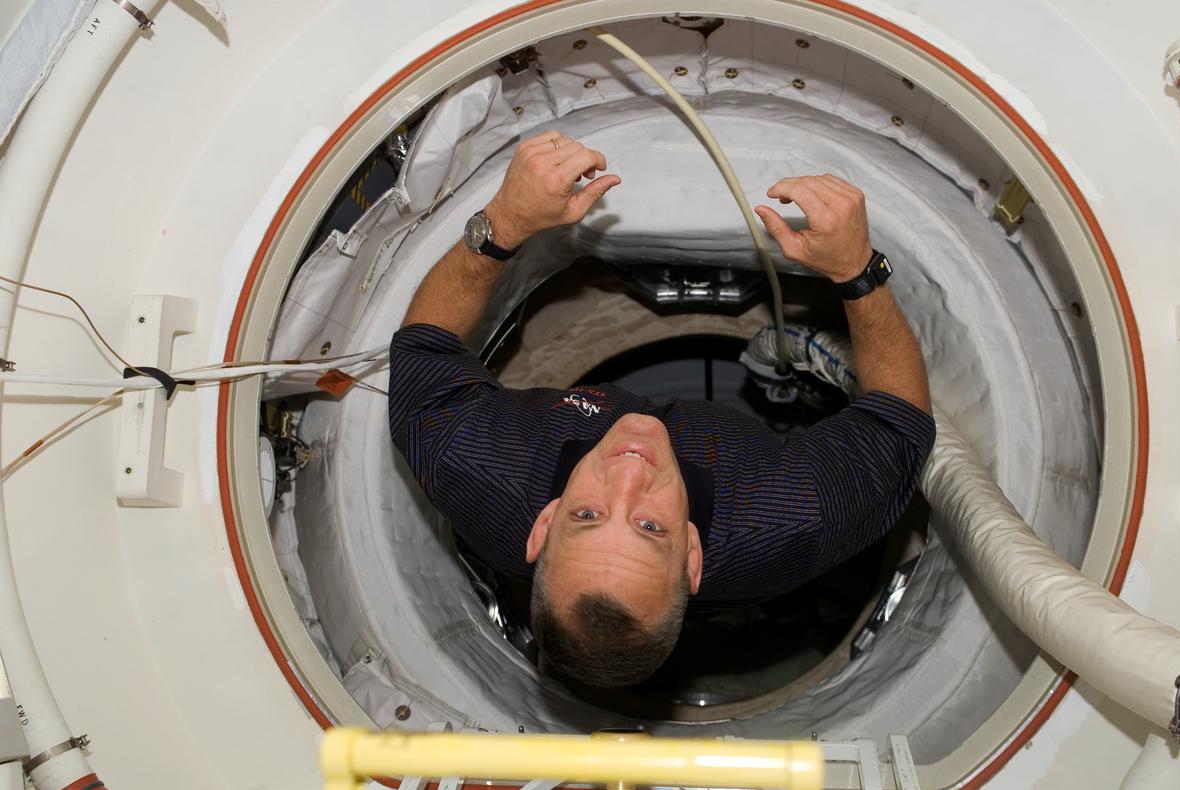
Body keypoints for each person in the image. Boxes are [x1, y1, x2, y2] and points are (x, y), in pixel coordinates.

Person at [389, 130, 934, 688]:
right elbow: (901, 420)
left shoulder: (477, 466)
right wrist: (857, 271)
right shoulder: (795, 517)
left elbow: (423, 347)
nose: (628, 472)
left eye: (586, 515)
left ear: (542, 527)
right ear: (693, 553)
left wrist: (503, 223)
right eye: (650, 526)